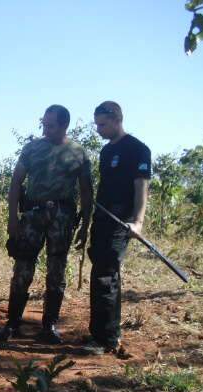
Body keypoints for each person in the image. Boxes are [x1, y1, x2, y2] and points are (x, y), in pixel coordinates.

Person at [0, 105, 93, 344]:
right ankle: (12, 324)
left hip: (63, 217)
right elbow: (16, 182)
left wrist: (85, 223)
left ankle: (49, 326)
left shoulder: (78, 153)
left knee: (56, 272)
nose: (45, 129)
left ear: (64, 125)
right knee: (22, 268)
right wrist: (12, 218)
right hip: (32, 215)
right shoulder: (32, 149)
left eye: (51, 125)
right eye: (44, 124)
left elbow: (87, 191)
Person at [84, 101, 151, 354]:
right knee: (99, 273)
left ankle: (107, 339)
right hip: (102, 219)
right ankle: (97, 333)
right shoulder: (105, 152)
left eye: (102, 124)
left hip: (121, 222)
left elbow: (141, 187)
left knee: (107, 276)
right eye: (97, 125)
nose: (98, 130)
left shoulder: (138, 149)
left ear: (116, 120)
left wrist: (138, 221)